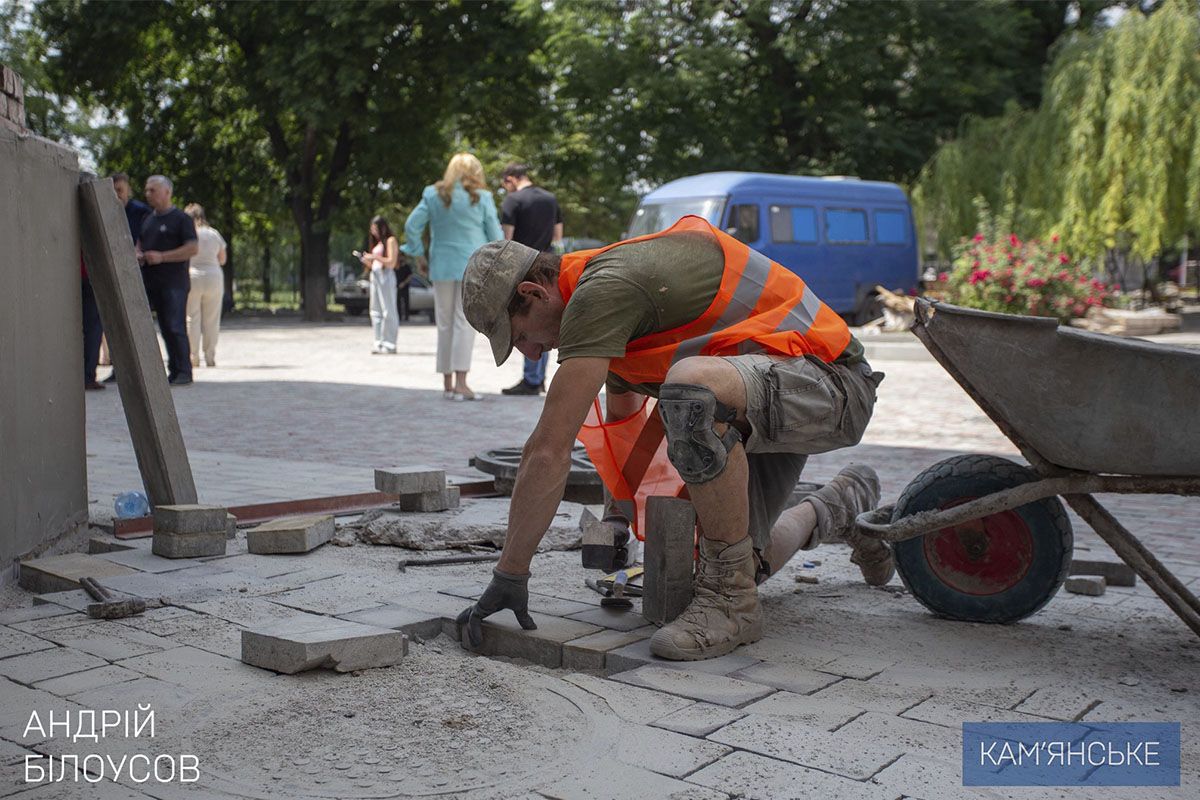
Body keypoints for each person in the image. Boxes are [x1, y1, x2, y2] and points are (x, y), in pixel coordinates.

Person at [453, 215, 890, 661]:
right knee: (740, 561)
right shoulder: (601, 308)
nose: (530, 353)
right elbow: (627, 434)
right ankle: (838, 504)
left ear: (533, 292)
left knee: (690, 389)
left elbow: (548, 449)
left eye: (521, 336)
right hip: (757, 403)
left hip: (833, 388)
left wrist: (510, 574)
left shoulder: (603, 292)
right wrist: (616, 519)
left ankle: (730, 605)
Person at [402, 153, 502, 400]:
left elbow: (412, 225)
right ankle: (462, 383)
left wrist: (417, 254)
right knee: (463, 322)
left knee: (444, 322)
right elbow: (495, 233)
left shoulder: (433, 194)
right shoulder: (482, 197)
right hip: (473, 266)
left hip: (441, 265)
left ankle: (447, 383)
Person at [497, 163, 563, 397]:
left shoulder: (512, 201)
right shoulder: (550, 199)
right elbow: (558, 236)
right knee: (545, 319)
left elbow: (507, 241)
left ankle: (531, 379)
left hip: (523, 267)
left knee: (527, 321)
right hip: (548, 267)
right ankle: (538, 378)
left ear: (511, 179)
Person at [138, 175, 198, 386]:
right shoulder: (148, 219)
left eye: (152, 190)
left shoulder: (181, 219)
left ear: (167, 192)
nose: (148, 195)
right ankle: (174, 370)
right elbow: (140, 243)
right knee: (164, 328)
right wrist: (139, 254)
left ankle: (184, 370)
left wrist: (162, 257)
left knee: (175, 326)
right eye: (147, 190)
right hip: (153, 282)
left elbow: (192, 248)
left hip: (175, 283)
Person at [100, 173, 151, 383]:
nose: (117, 195)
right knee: (116, 324)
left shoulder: (142, 212)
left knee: (138, 325)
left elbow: (148, 239)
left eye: (120, 190)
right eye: (113, 191)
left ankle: (144, 372)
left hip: (137, 274)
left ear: (128, 189)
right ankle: (119, 370)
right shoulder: (105, 210)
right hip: (112, 273)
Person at [184, 204, 227, 368]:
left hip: (192, 276)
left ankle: (193, 356)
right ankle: (210, 356)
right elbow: (222, 259)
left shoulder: (188, 234)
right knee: (211, 319)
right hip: (213, 277)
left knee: (192, 318)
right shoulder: (214, 234)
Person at [360, 215, 401, 353]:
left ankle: (390, 344)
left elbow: (391, 262)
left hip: (386, 276)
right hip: (375, 276)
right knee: (375, 310)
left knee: (388, 310)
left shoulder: (391, 240)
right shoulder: (378, 244)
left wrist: (375, 257)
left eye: (375, 229)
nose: (374, 233)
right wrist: (368, 261)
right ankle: (379, 342)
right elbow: (375, 264)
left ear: (382, 228)